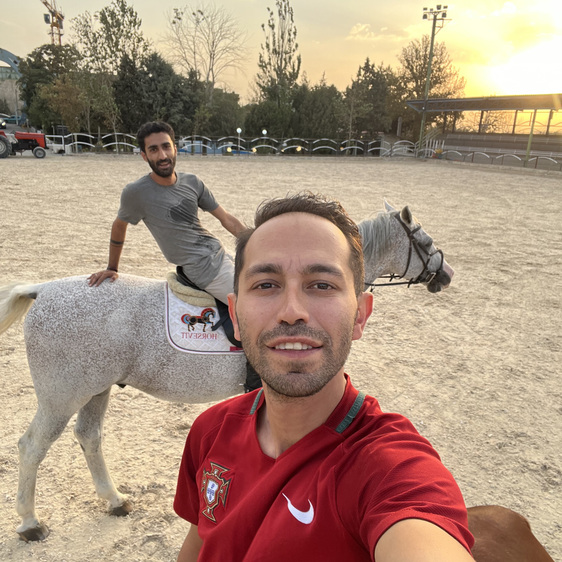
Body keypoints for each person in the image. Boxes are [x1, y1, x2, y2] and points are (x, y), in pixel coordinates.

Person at [173, 192, 475, 561]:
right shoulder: (209, 431)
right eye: (266, 284)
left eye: (322, 285)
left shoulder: (389, 470)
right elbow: (201, 544)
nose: (292, 311)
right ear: (234, 316)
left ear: (360, 315)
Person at [88, 121, 245, 305]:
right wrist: (112, 267)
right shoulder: (136, 192)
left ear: (175, 149)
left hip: (221, 254)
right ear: (144, 156)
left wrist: (257, 241)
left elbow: (225, 218)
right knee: (253, 306)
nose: (162, 155)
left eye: (166, 147)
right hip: (204, 271)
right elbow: (119, 225)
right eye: (153, 150)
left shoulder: (192, 182)